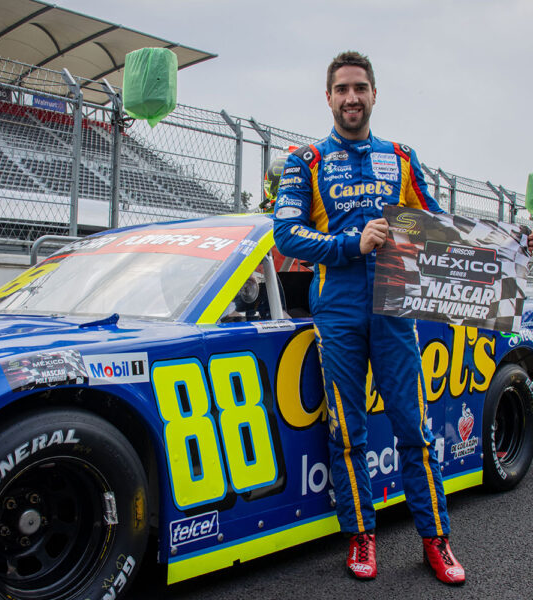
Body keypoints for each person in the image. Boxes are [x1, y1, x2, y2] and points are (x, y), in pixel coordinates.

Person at [273, 50, 468, 585]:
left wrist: (435, 235)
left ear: (374, 94)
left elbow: (433, 226)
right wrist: (350, 244)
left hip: (393, 307)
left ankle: (437, 541)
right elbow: (286, 234)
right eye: (342, 89)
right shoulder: (306, 161)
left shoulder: (402, 158)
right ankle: (362, 535)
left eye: (360, 88)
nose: (351, 98)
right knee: (346, 432)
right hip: (335, 310)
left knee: (414, 428)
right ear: (329, 97)